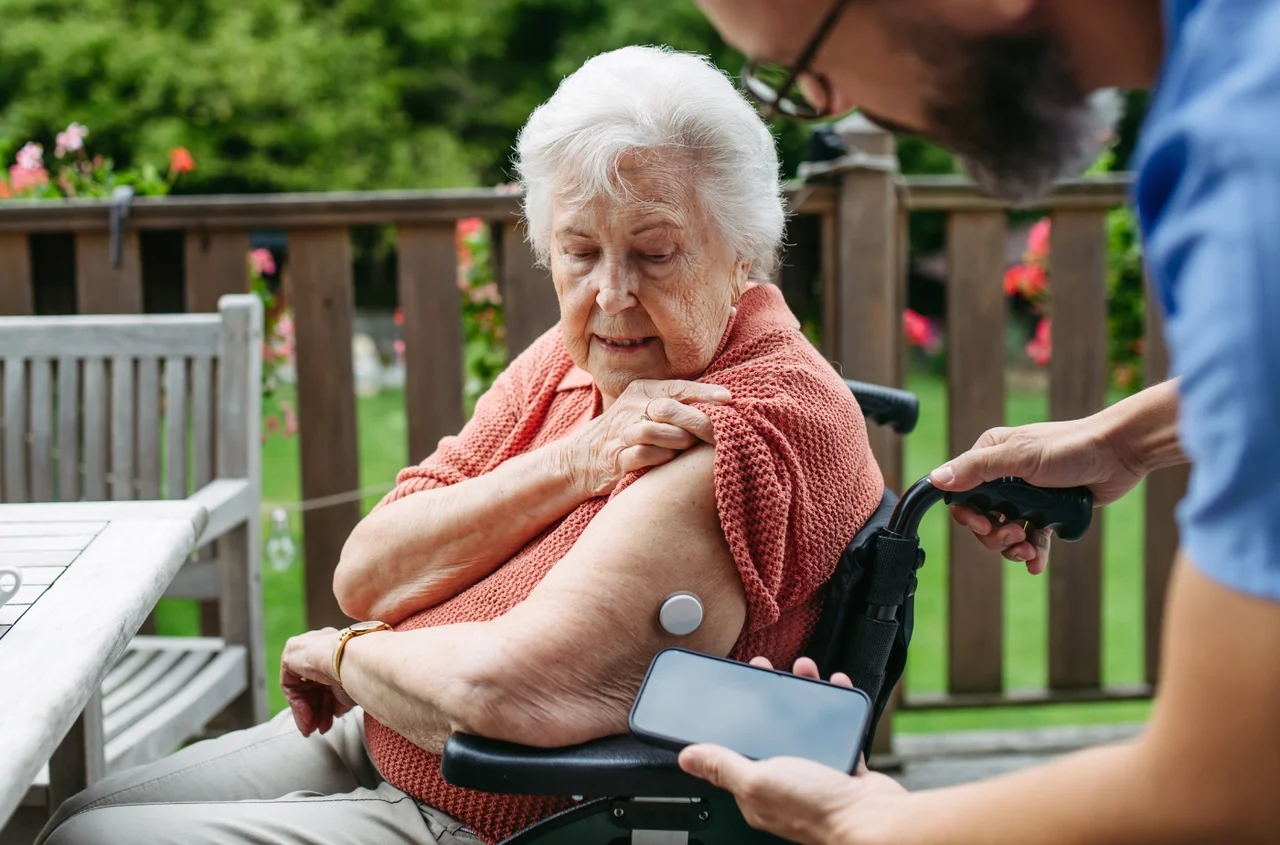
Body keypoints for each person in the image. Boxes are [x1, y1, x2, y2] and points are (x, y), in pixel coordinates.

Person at [36, 46, 886, 845]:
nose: (612, 293)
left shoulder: (734, 423)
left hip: (501, 809)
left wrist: (344, 650)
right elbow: (368, 571)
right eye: (579, 251)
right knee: (77, 810)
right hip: (384, 730)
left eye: (656, 253)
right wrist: (580, 459)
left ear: (745, 257)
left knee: (89, 839)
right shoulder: (572, 360)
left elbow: (504, 692)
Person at [678, 1, 1280, 842]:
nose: (838, 108)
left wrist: (872, 826)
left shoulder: (1248, 149)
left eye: (802, 67)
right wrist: (1126, 440)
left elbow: (1233, 785)